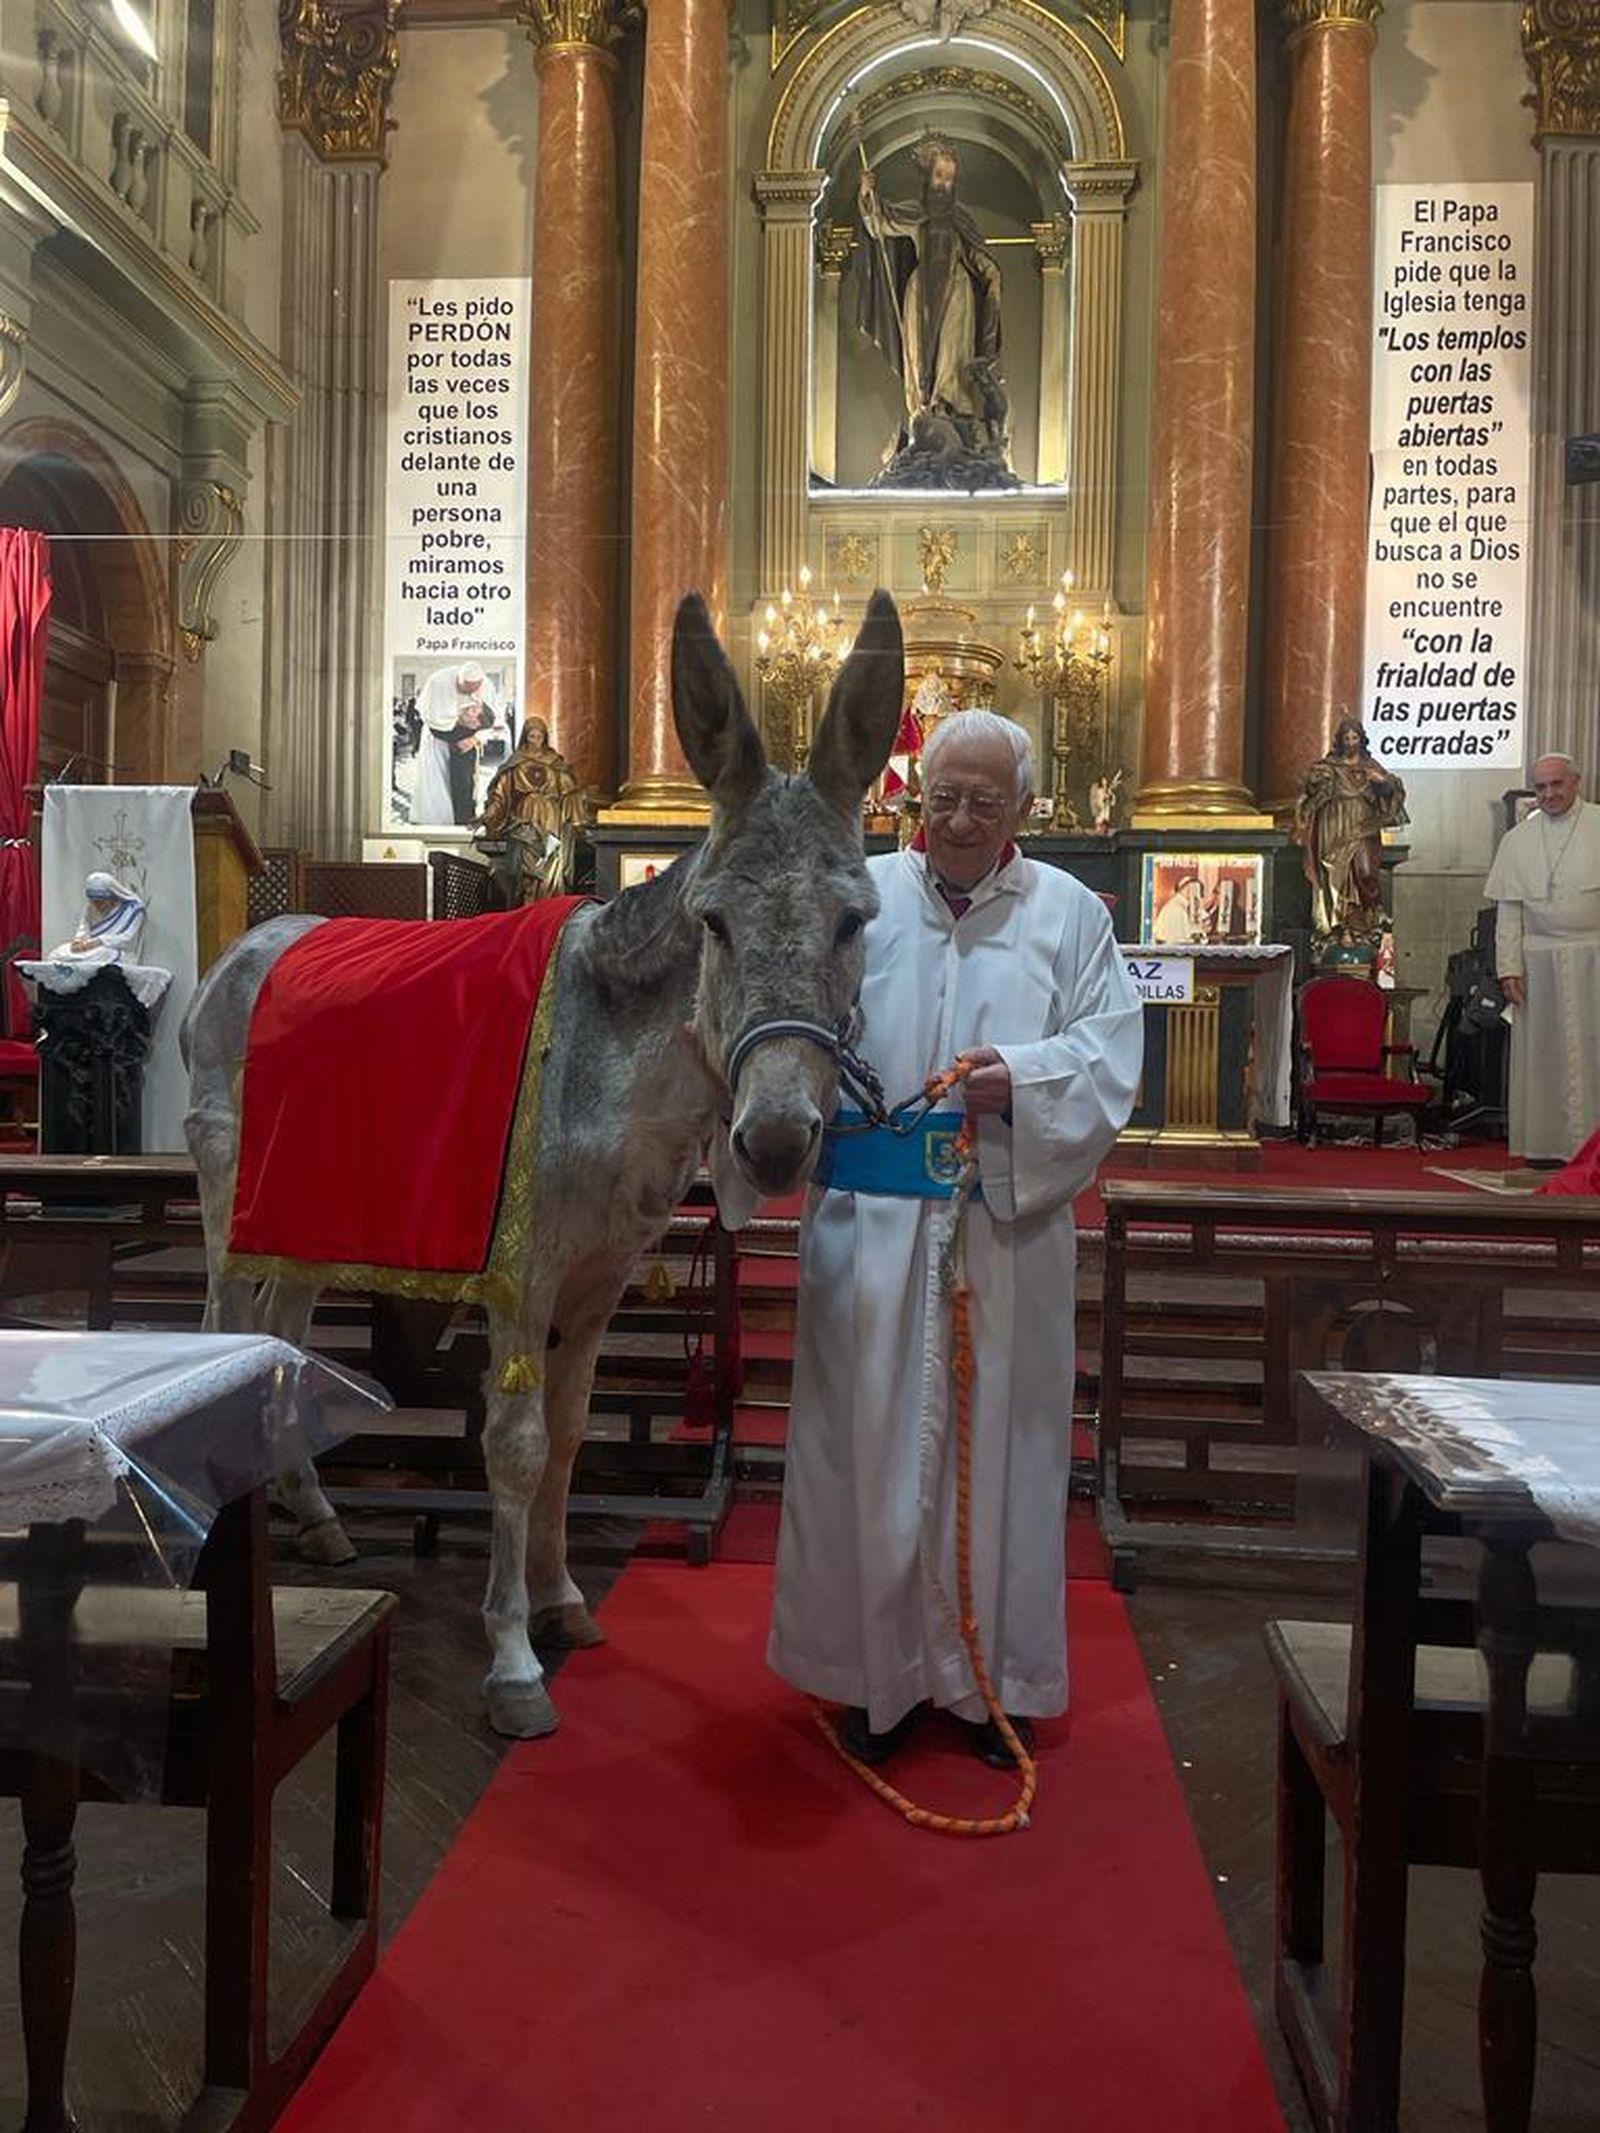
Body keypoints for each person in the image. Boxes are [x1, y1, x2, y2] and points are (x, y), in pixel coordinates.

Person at [766, 710, 1144, 1767]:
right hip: (868, 1227)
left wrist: (1016, 1079)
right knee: (865, 1451)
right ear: (911, 798)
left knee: (1002, 1452)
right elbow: (797, 1021)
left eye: (986, 799)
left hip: (1002, 1232)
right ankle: (872, 1685)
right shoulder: (863, 902)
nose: (962, 819)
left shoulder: (1067, 913)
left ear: (1025, 806)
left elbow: (1109, 1054)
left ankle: (990, 1688)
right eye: (944, 798)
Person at [856, 137, 1012, 482]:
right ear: (928, 176)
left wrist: (992, 275)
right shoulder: (917, 212)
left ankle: (949, 407)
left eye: (950, 177)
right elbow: (880, 223)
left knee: (953, 355)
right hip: (920, 293)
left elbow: (977, 257)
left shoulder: (960, 218)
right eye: (940, 175)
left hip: (957, 294)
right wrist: (868, 196)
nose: (945, 183)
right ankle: (924, 409)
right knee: (918, 357)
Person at [1485, 753, 1600, 1163]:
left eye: (1557, 784)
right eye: (1540, 787)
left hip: (1594, 960)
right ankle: (1547, 1147)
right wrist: (1508, 967)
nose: (1549, 794)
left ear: (1576, 782)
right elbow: (1509, 912)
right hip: (1537, 965)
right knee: (1544, 1058)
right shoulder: (1517, 840)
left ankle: (1592, 1149)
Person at [1294, 716, 1408, 944]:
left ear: (1361, 740)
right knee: (1334, 874)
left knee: (1366, 872)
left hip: (1363, 826)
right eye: (1346, 738)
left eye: (1354, 737)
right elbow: (1309, 788)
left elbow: (1392, 790)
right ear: (1339, 741)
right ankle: (1338, 928)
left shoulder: (1371, 766)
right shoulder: (1329, 767)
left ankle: (1367, 922)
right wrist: (1316, 780)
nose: (1350, 742)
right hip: (1334, 824)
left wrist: (1381, 782)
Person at [475, 715, 589, 902]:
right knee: (524, 871)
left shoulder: (555, 764)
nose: (536, 741)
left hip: (551, 821)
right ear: (525, 737)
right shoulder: (515, 764)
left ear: (545, 737)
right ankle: (526, 907)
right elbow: (501, 795)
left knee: (550, 864)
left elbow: (570, 792)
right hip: (524, 820)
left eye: (540, 736)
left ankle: (549, 907)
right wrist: (491, 814)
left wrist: (579, 809)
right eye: (532, 736)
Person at [411, 663, 499, 827]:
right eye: (465, 689)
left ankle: (463, 820)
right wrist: (458, 723)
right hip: (436, 742)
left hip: (468, 744)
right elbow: (433, 722)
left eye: (474, 690)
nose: (470, 695)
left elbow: (493, 723)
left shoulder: (486, 686)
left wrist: (474, 739)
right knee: (437, 787)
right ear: (458, 680)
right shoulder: (438, 682)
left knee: (465, 784)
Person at [46, 871, 147, 966]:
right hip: (89, 947)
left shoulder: (133, 910)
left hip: (113, 950)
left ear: (112, 896)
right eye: (94, 902)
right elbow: (83, 927)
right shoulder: (91, 907)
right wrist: (78, 941)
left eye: (100, 902)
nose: (97, 905)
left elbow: (128, 940)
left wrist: (99, 941)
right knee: (57, 954)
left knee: (101, 953)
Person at [1151, 872, 1209, 945]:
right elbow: (1181, 941)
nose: (1199, 898)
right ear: (1188, 889)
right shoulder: (1176, 910)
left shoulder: (1184, 906)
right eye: (1197, 892)